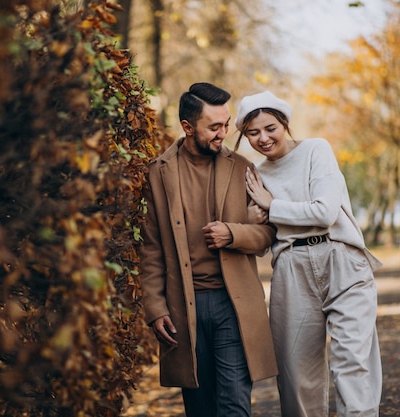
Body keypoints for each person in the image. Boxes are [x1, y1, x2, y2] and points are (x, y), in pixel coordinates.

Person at [234, 90, 383, 417]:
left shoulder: (317, 149)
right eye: (253, 133)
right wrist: (252, 218)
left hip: (341, 259)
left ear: (284, 124)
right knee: (295, 375)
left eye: (270, 128)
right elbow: (260, 237)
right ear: (244, 135)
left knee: (353, 365)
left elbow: (324, 212)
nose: (263, 138)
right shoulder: (256, 176)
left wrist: (272, 206)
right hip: (291, 270)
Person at [140, 82, 277, 417]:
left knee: (234, 403)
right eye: (214, 127)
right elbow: (151, 248)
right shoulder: (158, 173)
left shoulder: (242, 168)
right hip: (183, 307)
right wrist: (156, 308)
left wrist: (233, 234)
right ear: (188, 127)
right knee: (200, 407)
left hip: (234, 304)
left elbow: (266, 234)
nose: (224, 133)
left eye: (226, 124)